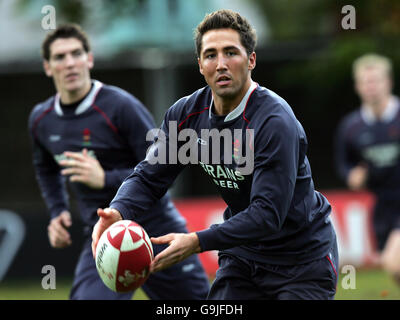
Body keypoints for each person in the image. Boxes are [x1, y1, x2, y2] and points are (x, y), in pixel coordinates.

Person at [92, 9, 338, 300]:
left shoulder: (273, 121)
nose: (221, 64)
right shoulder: (187, 115)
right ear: (200, 65)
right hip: (243, 259)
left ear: (251, 60)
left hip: (302, 261)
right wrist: (117, 211)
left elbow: (267, 214)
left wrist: (197, 241)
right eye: (211, 55)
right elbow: (148, 177)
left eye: (231, 52)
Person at [28, 23, 210, 300]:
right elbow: (45, 167)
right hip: (103, 236)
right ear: (47, 67)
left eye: (76, 54)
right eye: (60, 57)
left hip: (156, 229)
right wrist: (57, 211)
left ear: (89, 59)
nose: (70, 63)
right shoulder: (41, 119)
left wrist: (105, 179)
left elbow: (162, 168)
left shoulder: (121, 107)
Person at [335, 53, 400, 284]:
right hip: (382, 206)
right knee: (391, 268)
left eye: (376, 80)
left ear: (388, 82)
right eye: (365, 82)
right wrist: (353, 176)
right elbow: (345, 165)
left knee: (396, 262)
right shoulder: (351, 127)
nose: (371, 87)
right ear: (358, 86)